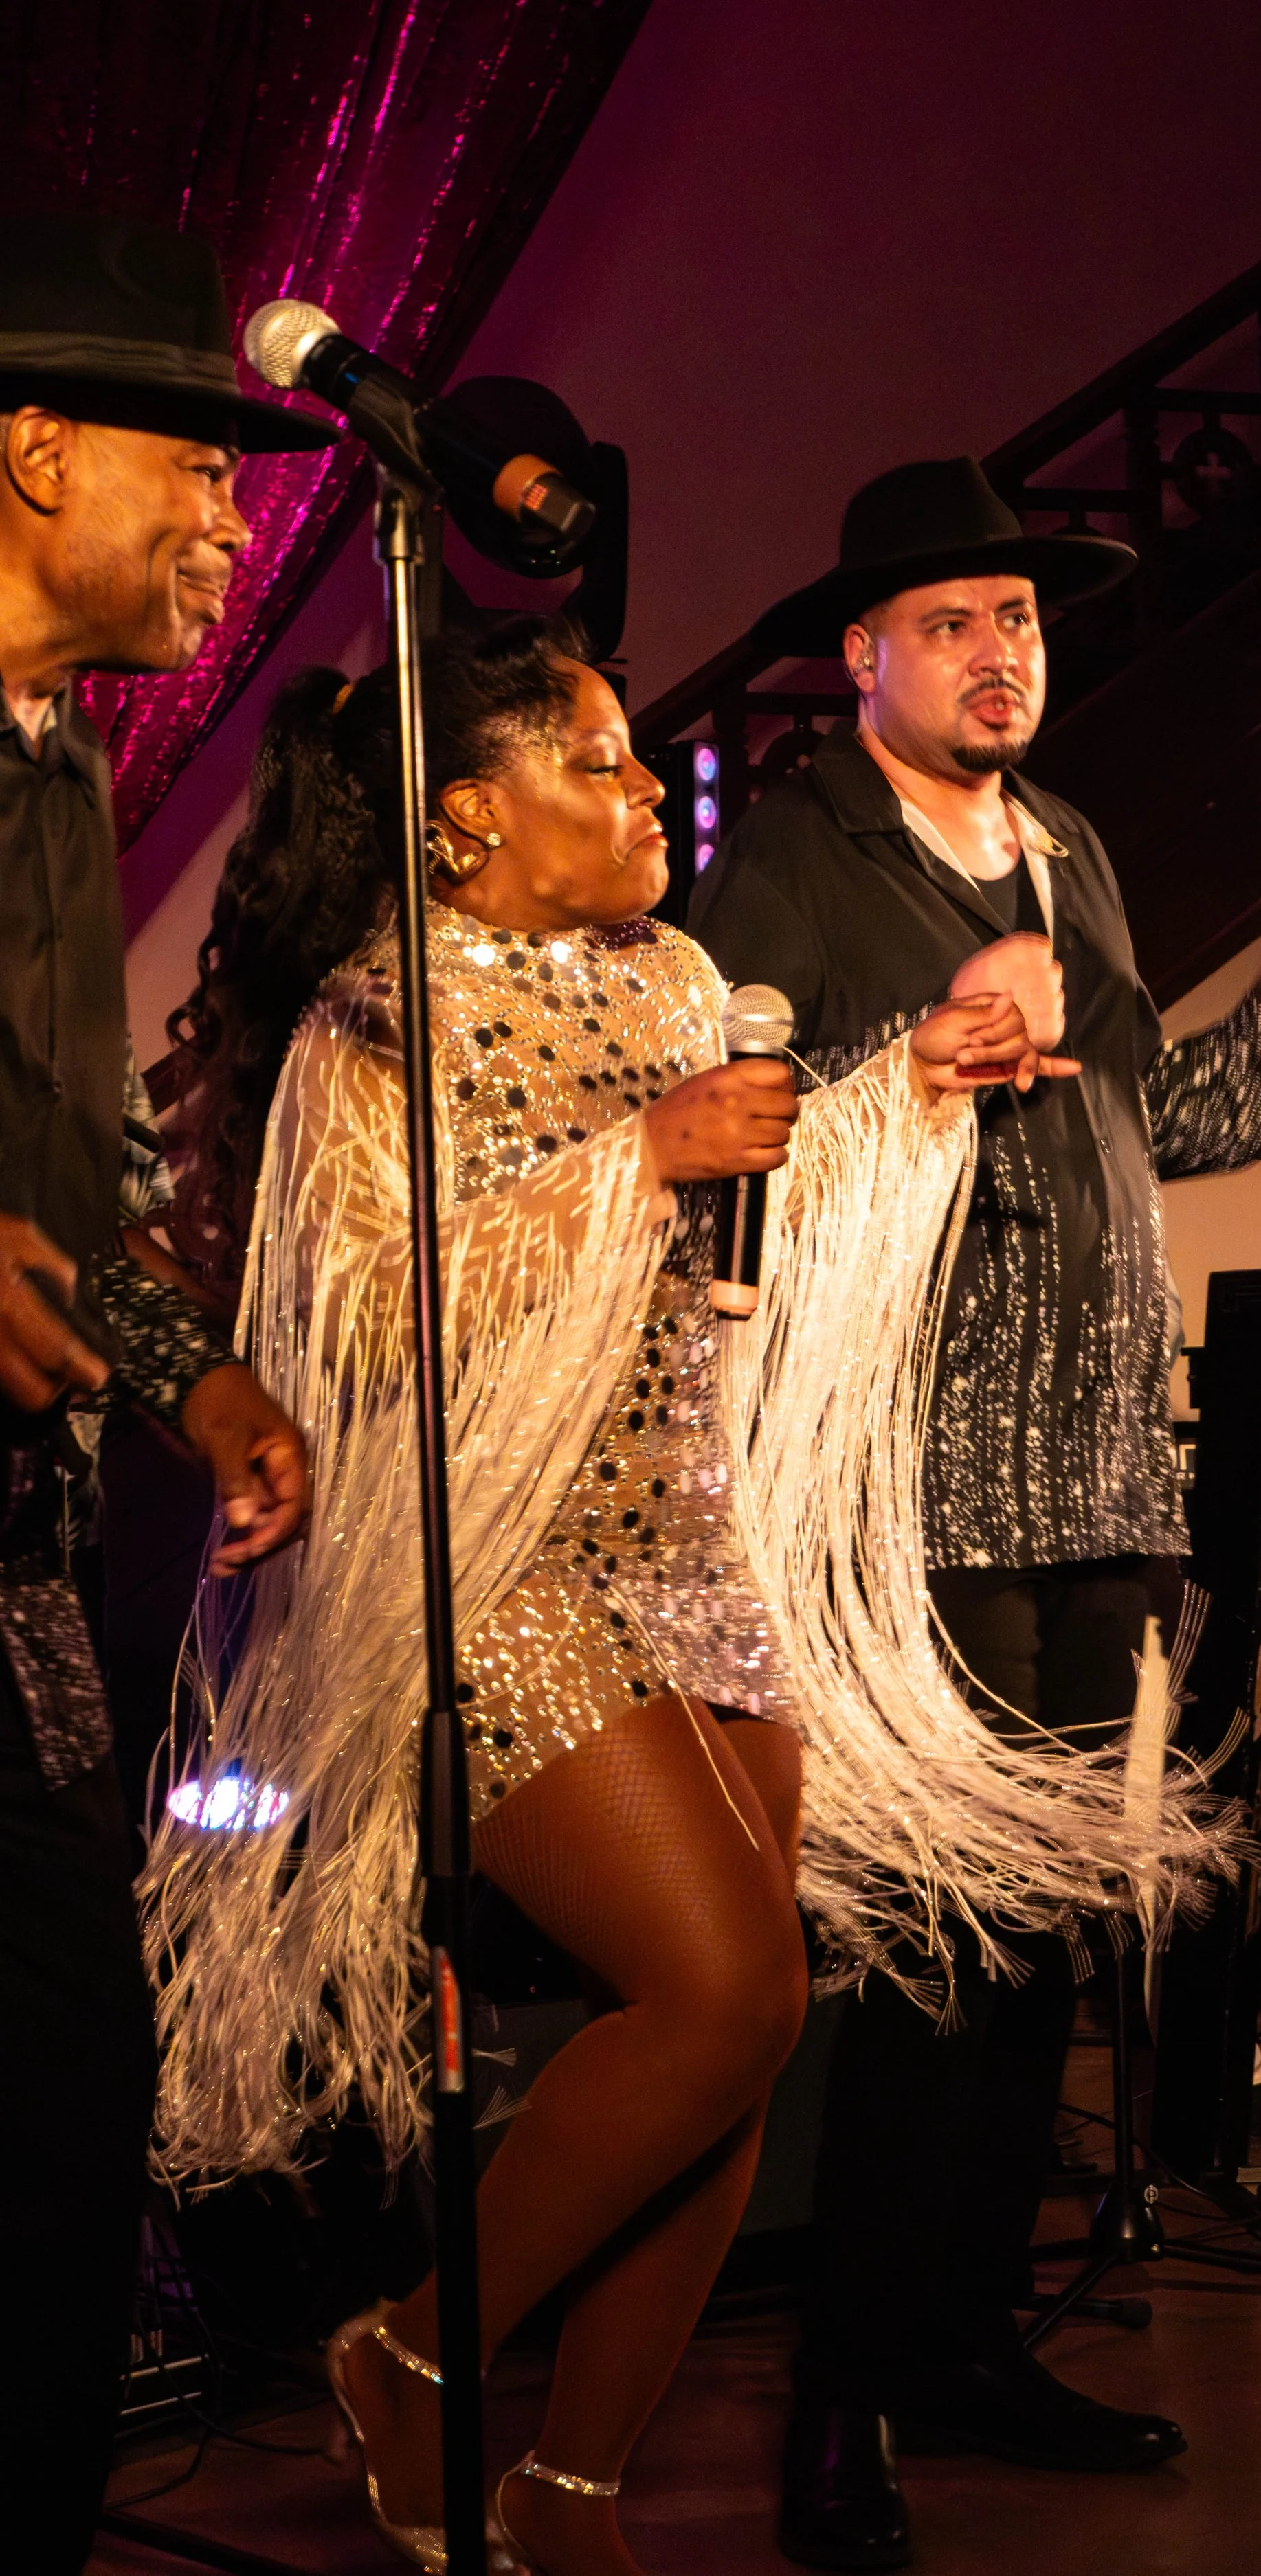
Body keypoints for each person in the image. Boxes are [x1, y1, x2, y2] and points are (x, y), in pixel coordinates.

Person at [140, 616, 1226, 2576]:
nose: (654, 791)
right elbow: (370, 1322)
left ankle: (575, 2494)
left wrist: (910, 1086)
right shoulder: (372, 1030)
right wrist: (634, 1156)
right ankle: (407, 2354)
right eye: (603, 762)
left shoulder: (676, 982)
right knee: (722, 1985)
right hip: (503, 1574)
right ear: (466, 820)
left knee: (745, 2024)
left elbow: (767, 1219)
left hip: (693, 1550)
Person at [689, 454, 1261, 2572]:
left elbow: (1138, 1130)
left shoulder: (1063, 842)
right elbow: (720, 1145)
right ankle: (846, 2398)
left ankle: (968, 2330)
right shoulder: (795, 858)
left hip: (1089, 1462)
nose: (1004, 656)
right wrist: (921, 1047)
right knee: (918, 1948)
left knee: (1034, 1943)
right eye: (958, 625)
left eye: (1024, 621)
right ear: (864, 658)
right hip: (910, 1487)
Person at [0, 212, 323, 2571]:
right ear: (30, 451)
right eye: (192, 463)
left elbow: (81, 1143)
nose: (235, 519)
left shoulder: (54, 774)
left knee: (63, 2079)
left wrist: (195, 1367)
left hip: (12, 1540)